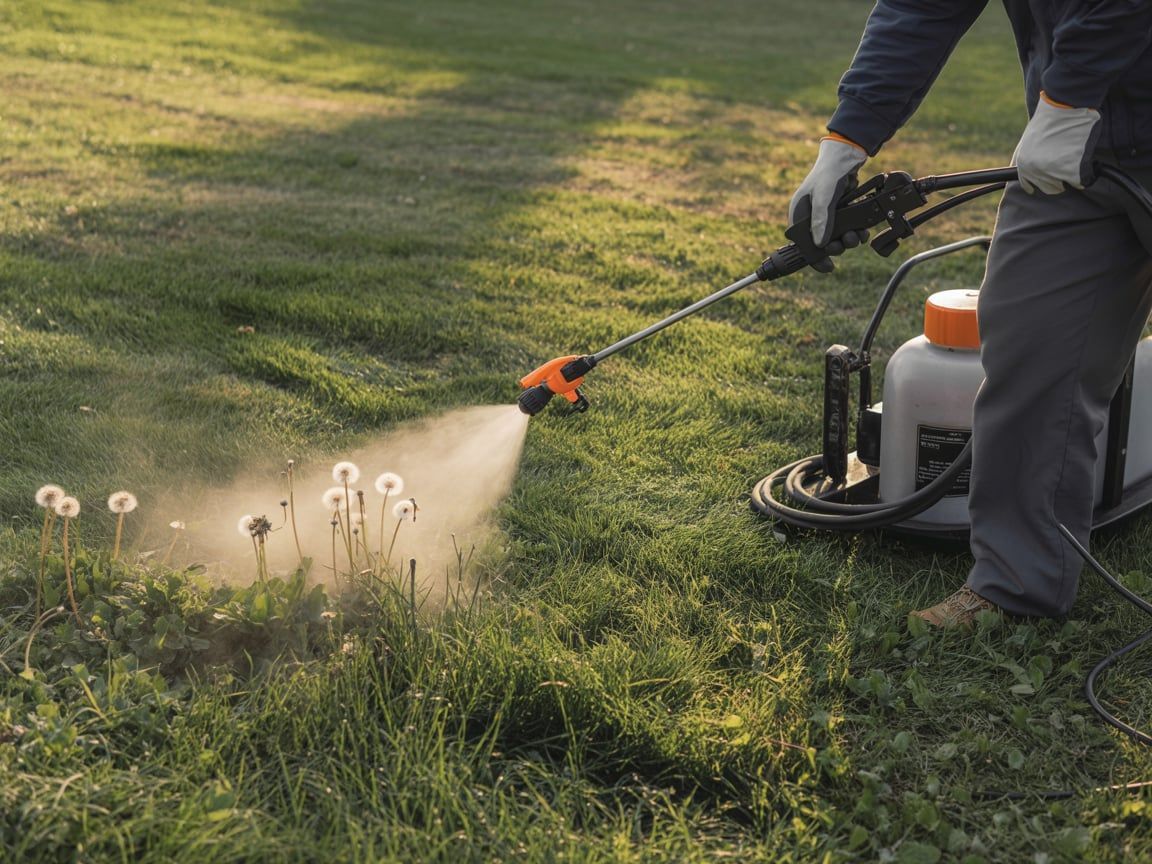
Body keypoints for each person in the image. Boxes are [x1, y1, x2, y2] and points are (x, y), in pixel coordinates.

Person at [788, 1, 1152, 626]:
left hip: (1070, 116)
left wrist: (1067, 103)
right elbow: (920, 6)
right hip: (1075, 156)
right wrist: (845, 142)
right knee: (1030, 350)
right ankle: (1016, 589)